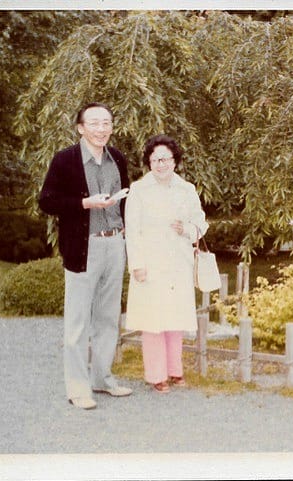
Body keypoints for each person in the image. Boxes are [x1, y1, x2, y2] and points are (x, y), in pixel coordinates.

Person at [39, 102, 133, 410]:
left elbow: (126, 202)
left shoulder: (117, 158)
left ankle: (102, 378)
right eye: (94, 123)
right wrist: (84, 204)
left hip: (114, 244)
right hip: (84, 247)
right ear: (81, 127)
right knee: (78, 321)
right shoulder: (65, 160)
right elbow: (47, 201)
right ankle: (78, 388)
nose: (102, 128)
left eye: (106, 122)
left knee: (108, 318)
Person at [124, 134, 208, 393]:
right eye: (155, 159)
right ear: (149, 163)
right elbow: (133, 230)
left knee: (175, 319)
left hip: (178, 264)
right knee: (153, 320)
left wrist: (187, 229)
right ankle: (156, 375)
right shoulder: (138, 191)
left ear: (175, 161)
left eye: (166, 159)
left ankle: (175, 371)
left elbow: (201, 224)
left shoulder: (187, 190)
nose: (161, 164)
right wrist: (137, 264)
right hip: (150, 265)